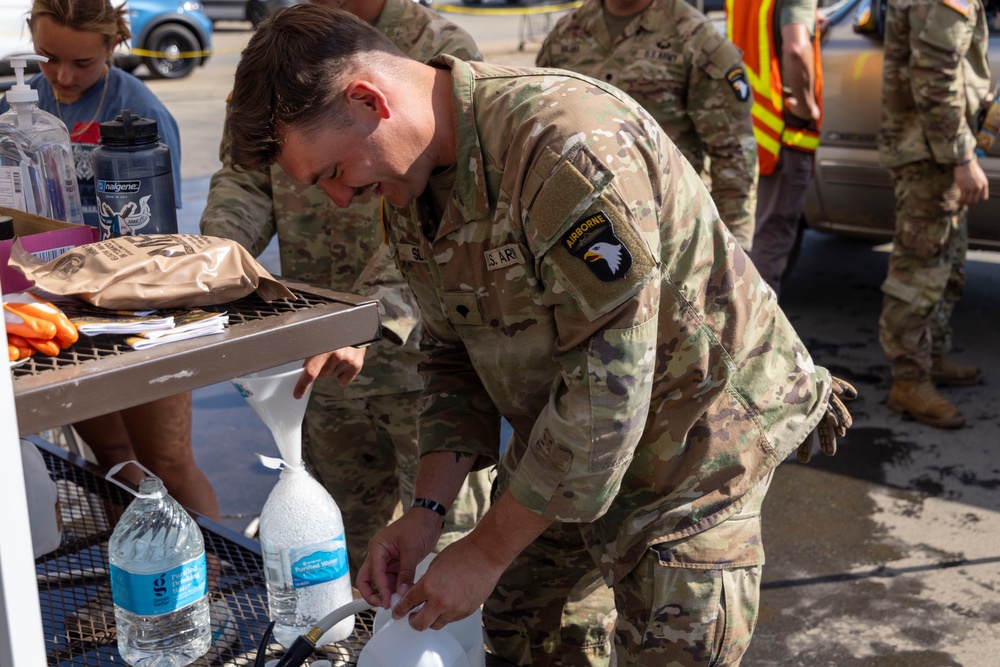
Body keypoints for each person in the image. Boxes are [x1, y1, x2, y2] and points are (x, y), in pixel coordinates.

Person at [225, 6, 856, 665]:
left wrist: (488, 548)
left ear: (367, 99)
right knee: (525, 633)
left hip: (693, 444)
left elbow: (608, 391)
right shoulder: (414, 190)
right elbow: (450, 354)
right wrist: (429, 511)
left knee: (674, 647)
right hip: (565, 437)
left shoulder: (565, 148)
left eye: (330, 171)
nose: (339, 199)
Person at [200, 0, 491, 577]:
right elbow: (246, 179)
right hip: (318, 365)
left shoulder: (432, 49)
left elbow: (450, 218)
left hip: (425, 370)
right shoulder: (279, 56)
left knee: (441, 551)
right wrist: (214, 261)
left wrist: (368, 317)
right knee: (341, 545)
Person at [0, 0, 217, 521]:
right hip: (54, 311)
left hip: (135, 309)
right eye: (49, 58)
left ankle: (213, 583)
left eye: (83, 64)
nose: (62, 76)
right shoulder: (16, 109)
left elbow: (163, 236)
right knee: (113, 460)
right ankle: (131, 578)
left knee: (166, 461)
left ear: (113, 47)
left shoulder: (139, 110)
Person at [537, 0, 758, 253]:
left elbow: (732, 154)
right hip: (578, 233)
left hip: (670, 235)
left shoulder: (697, 39)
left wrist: (733, 246)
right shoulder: (566, 32)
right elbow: (541, 131)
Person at [877, 0, 990, 429]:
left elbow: (958, 62)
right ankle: (908, 381)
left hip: (935, 150)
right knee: (920, 269)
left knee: (948, 261)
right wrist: (962, 157)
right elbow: (934, 78)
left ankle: (933, 355)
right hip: (928, 153)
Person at [726, 0, 823, 298]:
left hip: (750, 122)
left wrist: (811, 22)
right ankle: (755, 336)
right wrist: (807, 106)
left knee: (745, 234)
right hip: (783, 133)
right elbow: (795, 48)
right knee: (770, 241)